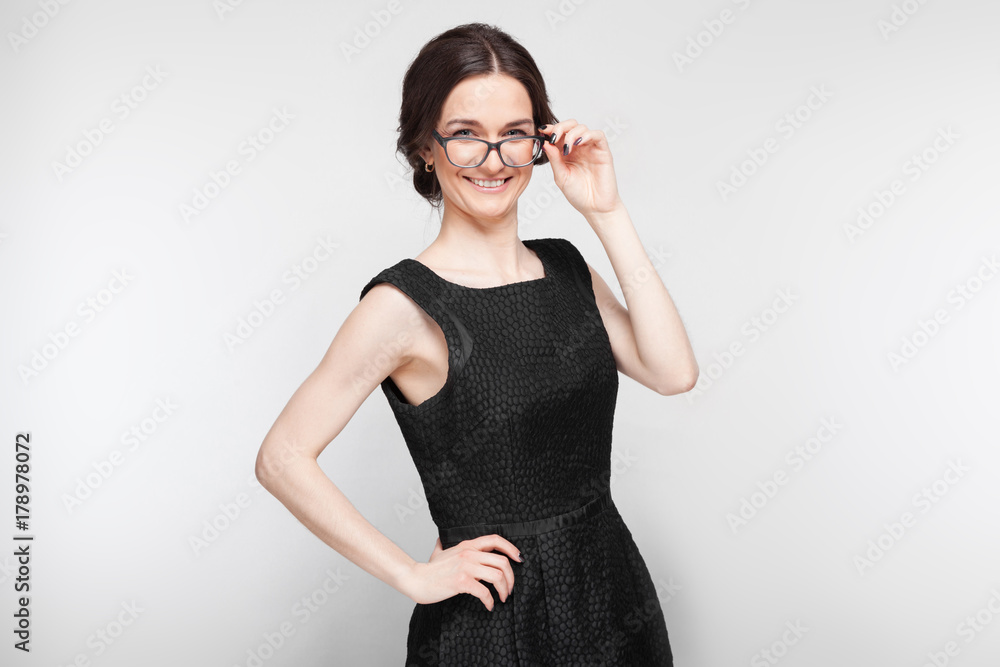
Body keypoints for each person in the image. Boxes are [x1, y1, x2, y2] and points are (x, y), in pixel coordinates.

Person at [255, 22, 698, 665]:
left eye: (514, 134)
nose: (493, 160)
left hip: (610, 595)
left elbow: (673, 371)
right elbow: (282, 457)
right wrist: (410, 574)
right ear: (424, 148)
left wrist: (606, 212)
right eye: (465, 134)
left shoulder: (567, 267)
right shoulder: (403, 306)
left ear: (541, 142)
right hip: (496, 622)